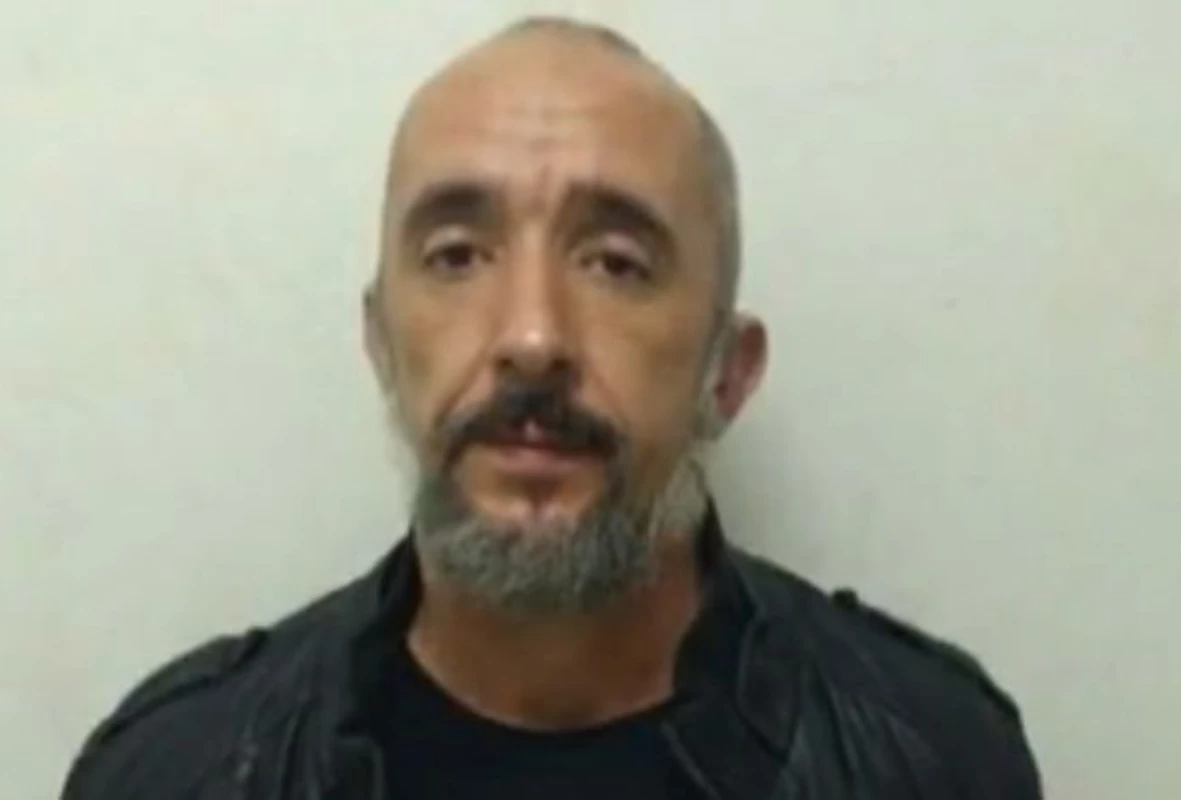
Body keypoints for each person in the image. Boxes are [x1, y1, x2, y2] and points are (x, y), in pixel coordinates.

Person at [61, 16, 1041, 800]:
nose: (532, 335)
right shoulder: (179, 773)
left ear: (728, 373)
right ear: (381, 344)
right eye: (457, 254)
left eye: (615, 263)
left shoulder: (929, 761)